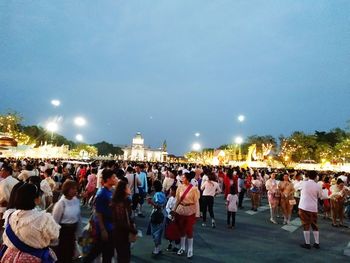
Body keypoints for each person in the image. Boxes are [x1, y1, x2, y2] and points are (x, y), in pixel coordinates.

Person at [1, 183, 60, 262]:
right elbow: (54, 237)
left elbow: (5, 238)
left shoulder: (11, 215)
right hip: (33, 258)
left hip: (10, 256)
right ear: (35, 199)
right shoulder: (44, 218)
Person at [83, 169, 117, 263]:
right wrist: (102, 229)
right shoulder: (102, 193)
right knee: (95, 253)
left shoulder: (111, 191)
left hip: (110, 227)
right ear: (108, 179)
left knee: (106, 254)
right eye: (113, 177)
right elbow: (98, 212)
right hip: (104, 228)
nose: (115, 179)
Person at [171, 171, 200, 259]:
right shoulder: (179, 187)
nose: (181, 179)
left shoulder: (194, 189)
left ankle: (190, 249)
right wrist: (173, 210)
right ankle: (182, 247)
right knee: (181, 230)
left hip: (190, 211)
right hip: (180, 211)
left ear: (187, 179)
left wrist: (197, 214)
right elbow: (177, 200)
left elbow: (196, 202)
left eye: (183, 178)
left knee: (189, 230)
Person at [52, 180, 81, 263]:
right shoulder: (61, 204)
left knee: (70, 254)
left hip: (72, 232)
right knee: (62, 255)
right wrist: (55, 239)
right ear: (67, 189)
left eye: (76, 188)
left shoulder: (76, 200)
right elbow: (55, 221)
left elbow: (78, 217)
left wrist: (79, 233)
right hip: (63, 233)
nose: (75, 191)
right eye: (72, 189)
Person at [111, 180, 137, 263]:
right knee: (123, 256)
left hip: (123, 233)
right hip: (120, 233)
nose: (129, 188)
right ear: (123, 190)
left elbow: (127, 217)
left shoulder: (126, 201)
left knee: (124, 255)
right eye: (127, 187)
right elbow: (120, 221)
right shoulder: (120, 203)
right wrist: (132, 230)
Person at [298, 171, 323, 249]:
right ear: (316, 177)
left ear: (308, 176)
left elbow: (295, 187)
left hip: (304, 206)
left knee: (306, 224)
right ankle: (317, 243)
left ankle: (307, 243)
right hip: (313, 207)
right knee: (314, 225)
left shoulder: (303, 183)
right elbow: (320, 196)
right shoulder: (318, 186)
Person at [147, 180, 167, 255]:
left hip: (157, 215)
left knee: (155, 232)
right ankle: (158, 248)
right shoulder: (162, 193)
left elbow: (159, 206)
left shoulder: (157, 194)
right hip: (163, 214)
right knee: (159, 232)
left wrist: (151, 202)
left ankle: (156, 249)